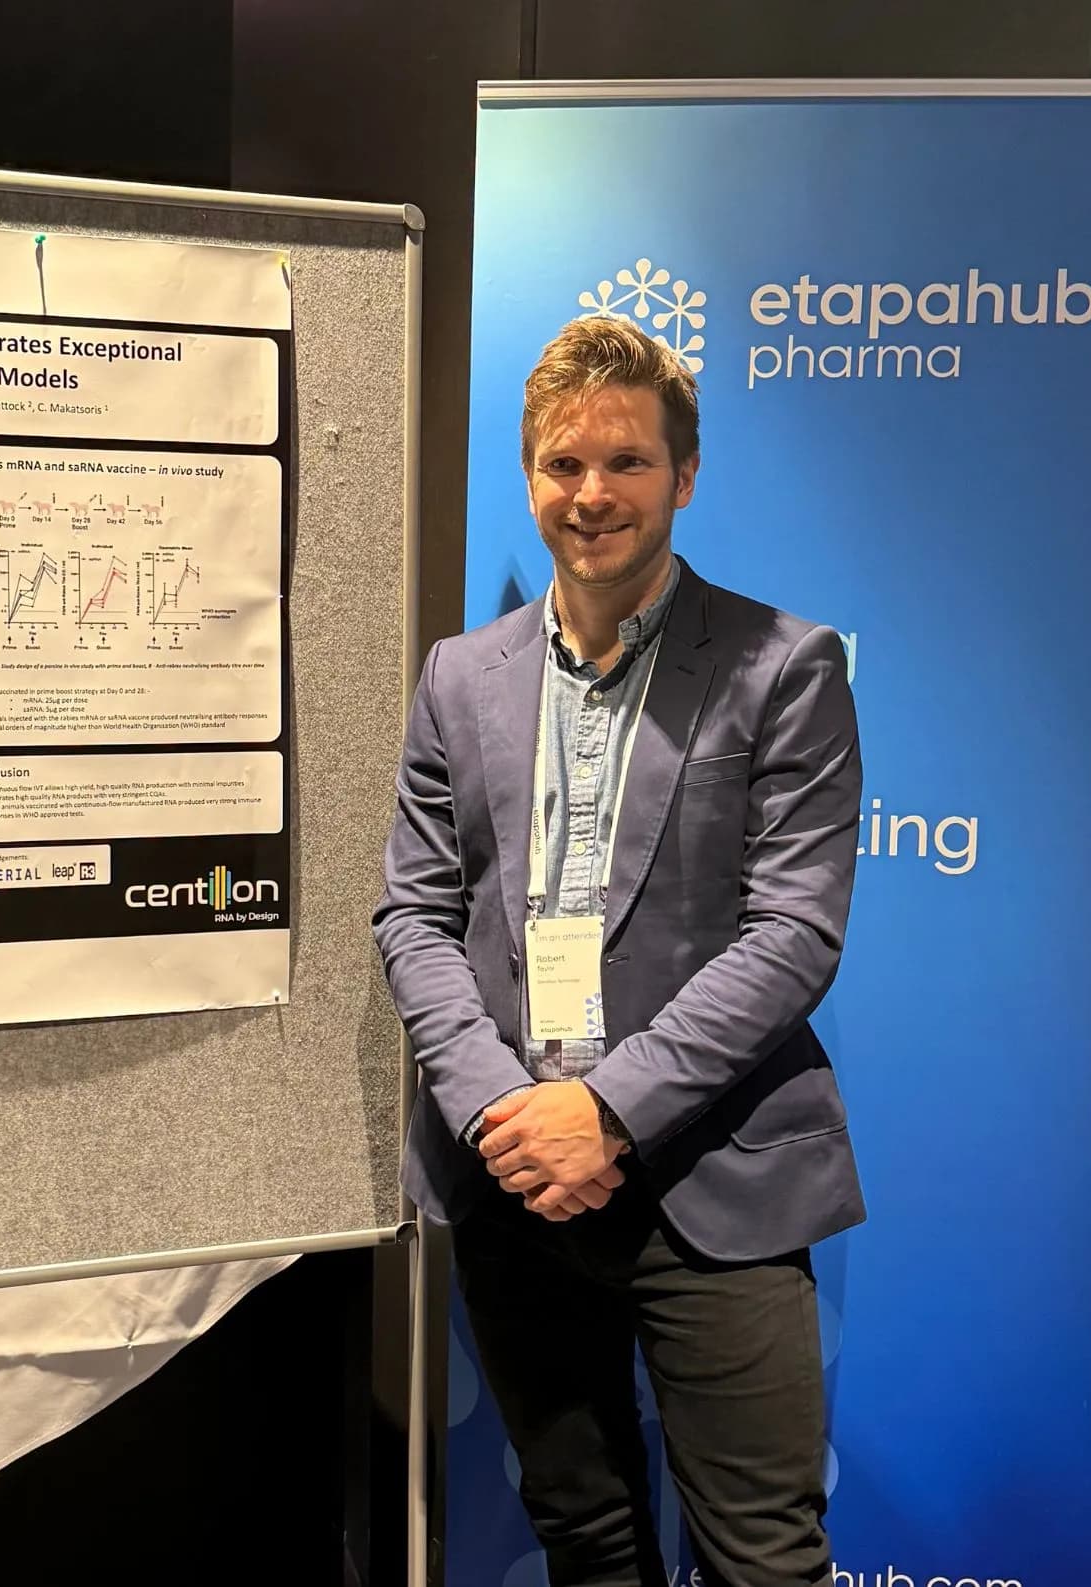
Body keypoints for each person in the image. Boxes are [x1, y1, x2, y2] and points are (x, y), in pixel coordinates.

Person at [373, 316, 865, 1587]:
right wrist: (502, 1112)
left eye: (627, 462)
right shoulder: (459, 677)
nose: (591, 493)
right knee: (583, 1539)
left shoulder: (782, 666)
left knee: (763, 1559)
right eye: (563, 464)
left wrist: (606, 1111)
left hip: (713, 1176)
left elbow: (793, 934)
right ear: (529, 475)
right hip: (512, 1180)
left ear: (682, 476)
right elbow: (413, 917)